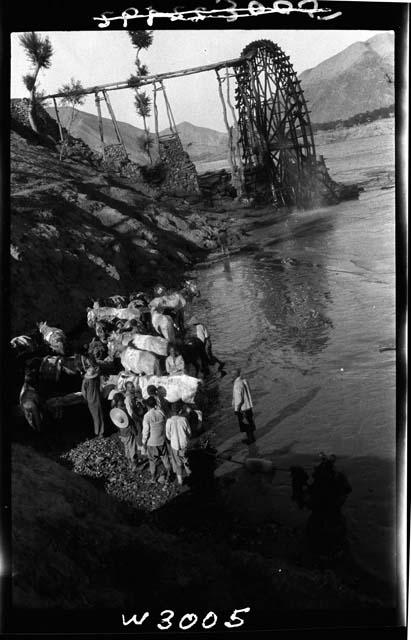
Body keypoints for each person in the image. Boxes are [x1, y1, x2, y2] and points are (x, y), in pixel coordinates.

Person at [142, 396, 171, 483]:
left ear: (147, 406)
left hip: (152, 443)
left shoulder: (147, 416)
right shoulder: (161, 412)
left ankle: (153, 478)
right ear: (155, 404)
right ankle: (169, 475)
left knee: (152, 461)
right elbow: (166, 424)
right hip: (162, 440)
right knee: (165, 458)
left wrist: (144, 443)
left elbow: (146, 431)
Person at [165, 401, 192, 485]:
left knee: (177, 463)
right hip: (184, 444)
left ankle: (180, 480)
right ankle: (188, 469)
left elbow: (168, 435)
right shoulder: (184, 419)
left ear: (171, 411)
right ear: (180, 411)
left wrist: (172, 439)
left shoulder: (169, 421)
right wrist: (188, 437)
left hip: (175, 446)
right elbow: (189, 432)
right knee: (185, 457)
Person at [110, 397, 140, 470]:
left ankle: (129, 463)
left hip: (123, 434)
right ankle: (134, 464)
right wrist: (135, 431)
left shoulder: (117, 414)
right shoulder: (125, 412)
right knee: (132, 447)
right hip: (129, 433)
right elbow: (131, 423)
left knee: (126, 448)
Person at [81, 361, 105, 438]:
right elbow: (100, 389)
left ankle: (97, 432)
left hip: (91, 400)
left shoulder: (85, 381)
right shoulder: (96, 380)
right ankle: (101, 432)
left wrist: (86, 399)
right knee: (100, 415)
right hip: (97, 399)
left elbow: (83, 392)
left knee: (95, 416)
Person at [232, 368, 256, 444]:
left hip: (242, 409)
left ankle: (250, 440)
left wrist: (237, 410)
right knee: (250, 422)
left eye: (232, 374)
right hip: (248, 406)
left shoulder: (237, 385)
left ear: (235, 375)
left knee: (246, 425)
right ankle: (252, 438)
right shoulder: (244, 381)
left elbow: (239, 399)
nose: (231, 376)